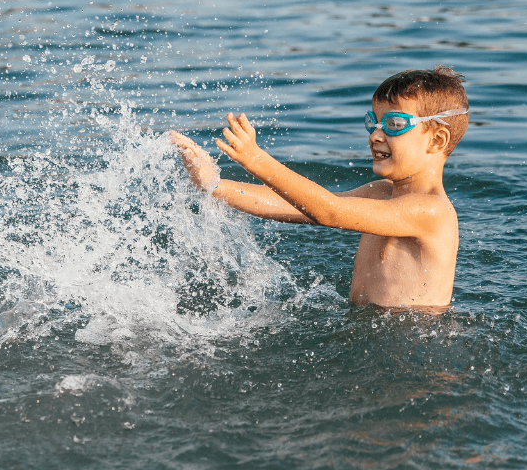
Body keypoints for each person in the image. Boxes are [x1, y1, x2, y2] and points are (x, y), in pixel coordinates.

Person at [170, 66, 469, 313]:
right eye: (373, 122)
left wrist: (256, 160)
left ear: (437, 140)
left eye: (393, 124)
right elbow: (299, 206)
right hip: (371, 327)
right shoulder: (381, 192)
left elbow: (328, 210)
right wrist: (216, 185)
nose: (376, 134)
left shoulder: (431, 211)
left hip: (414, 340)